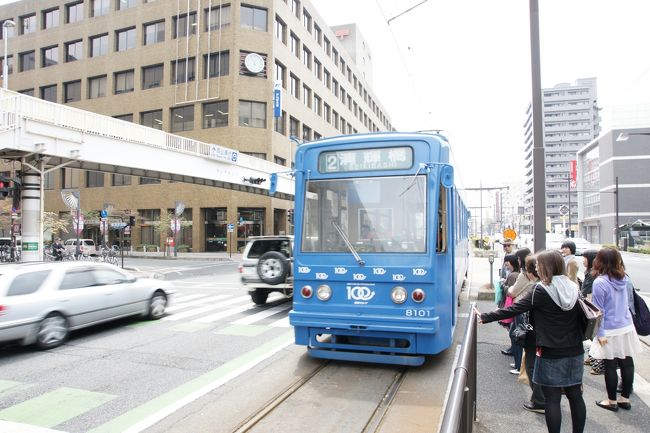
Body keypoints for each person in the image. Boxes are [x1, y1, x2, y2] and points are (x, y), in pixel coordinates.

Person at [475, 250, 586, 433]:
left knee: (552, 399)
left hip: (550, 351)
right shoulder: (574, 287)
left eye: (538, 265)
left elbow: (514, 308)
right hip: (575, 349)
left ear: (547, 267)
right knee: (575, 396)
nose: (535, 268)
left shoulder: (541, 290)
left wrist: (486, 316)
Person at [589, 247, 642, 412]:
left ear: (599, 261)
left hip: (609, 330)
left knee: (610, 365)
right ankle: (624, 399)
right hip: (626, 327)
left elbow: (599, 312)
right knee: (627, 362)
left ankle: (611, 401)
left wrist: (600, 334)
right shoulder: (624, 278)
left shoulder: (600, 282)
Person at [506, 248, 532, 374]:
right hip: (525, 308)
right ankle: (518, 364)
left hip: (520, 308)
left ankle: (518, 366)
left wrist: (508, 288)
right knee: (517, 334)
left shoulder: (524, 274)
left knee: (517, 335)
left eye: (518, 258)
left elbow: (512, 292)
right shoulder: (531, 273)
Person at [580, 249, 603, 375]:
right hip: (591, 305)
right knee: (594, 335)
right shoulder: (589, 272)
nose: (583, 260)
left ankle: (598, 362)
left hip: (593, 307)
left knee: (596, 334)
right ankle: (593, 357)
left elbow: (586, 291)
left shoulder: (594, 275)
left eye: (585, 257)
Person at [498, 253, 519, 357]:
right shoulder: (517, 273)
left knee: (512, 329)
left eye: (507, 263)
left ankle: (513, 350)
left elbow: (509, 291)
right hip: (513, 304)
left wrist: (502, 284)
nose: (506, 265)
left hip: (511, 303)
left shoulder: (513, 275)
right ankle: (513, 349)